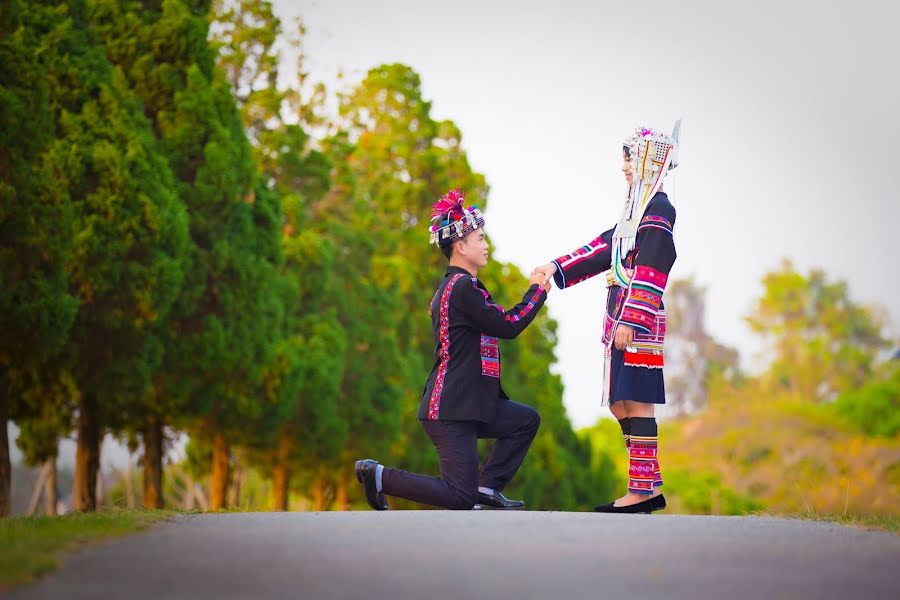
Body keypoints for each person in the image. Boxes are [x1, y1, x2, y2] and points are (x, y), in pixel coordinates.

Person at [355, 189, 550, 511]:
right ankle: (379, 476)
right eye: (480, 239)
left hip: (471, 404)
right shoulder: (460, 288)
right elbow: (508, 325)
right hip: (450, 409)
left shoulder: (461, 286)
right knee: (459, 496)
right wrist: (536, 292)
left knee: (524, 420)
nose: (486, 245)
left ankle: (487, 490)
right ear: (460, 246)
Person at [535, 123, 681, 513]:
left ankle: (642, 490)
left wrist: (632, 319)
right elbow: (604, 247)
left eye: (631, 158)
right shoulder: (636, 211)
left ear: (651, 161)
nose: (625, 167)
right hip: (619, 312)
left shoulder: (659, 209)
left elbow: (654, 266)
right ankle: (648, 484)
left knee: (637, 403)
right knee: (621, 403)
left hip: (638, 316)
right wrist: (555, 266)